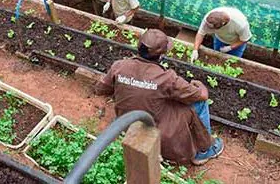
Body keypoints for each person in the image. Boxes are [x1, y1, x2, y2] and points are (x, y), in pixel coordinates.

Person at [95, 29, 224, 165]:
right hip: (157, 130)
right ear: (161, 55)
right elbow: (202, 95)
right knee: (200, 104)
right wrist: (199, 85)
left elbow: (101, 89)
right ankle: (204, 151)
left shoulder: (119, 66)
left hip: (126, 123)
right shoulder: (167, 78)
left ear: (139, 47)